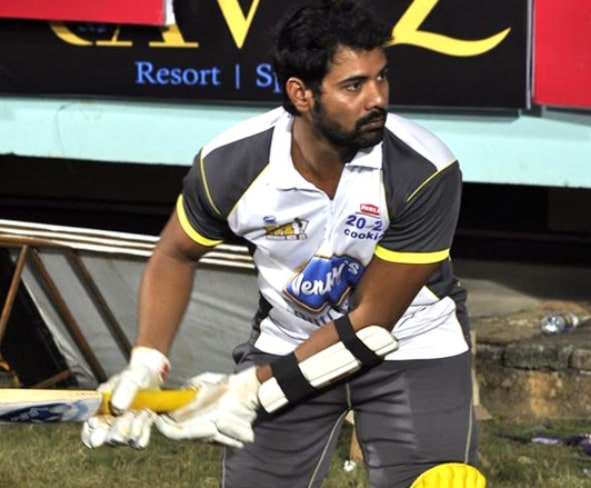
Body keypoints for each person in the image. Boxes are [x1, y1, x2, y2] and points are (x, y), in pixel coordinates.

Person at [80, 1, 479, 486]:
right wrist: (146, 362)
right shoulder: (231, 166)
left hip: (412, 344)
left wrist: (250, 389)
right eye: (354, 85)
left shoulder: (423, 170)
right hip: (287, 341)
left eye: (382, 77)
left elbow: (371, 325)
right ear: (301, 94)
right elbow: (175, 253)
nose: (378, 98)